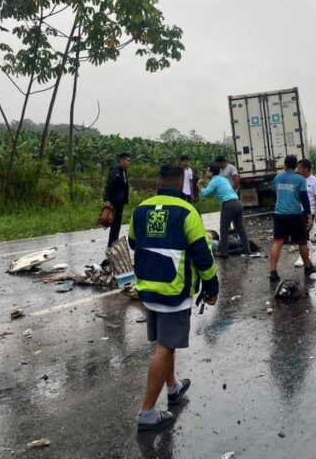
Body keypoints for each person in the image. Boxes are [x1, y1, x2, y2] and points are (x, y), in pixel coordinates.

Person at [129, 164, 219, 432]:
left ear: (158, 182)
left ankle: (173, 388)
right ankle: (146, 412)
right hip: (175, 289)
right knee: (166, 346)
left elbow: (134, 242)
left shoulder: (141, 209)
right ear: (182, 184)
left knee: (164, 341)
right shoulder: (187, 212)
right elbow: (203, 255)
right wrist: (212, 287)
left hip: (148, 286)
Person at [270, 155, 315, 283]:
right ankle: (307, 267)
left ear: (284, 164)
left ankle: (273, 272)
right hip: (295, 214)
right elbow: (304, 199)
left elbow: (273, 193)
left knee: (277, 242)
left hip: (279, 214)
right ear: (295, 166)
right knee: (302, 242)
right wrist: (308, 216)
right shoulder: (300, 179)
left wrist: (280, 201)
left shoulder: (277, 178)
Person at [198, 165, 249, 258]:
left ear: (211, 173)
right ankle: (247, 250)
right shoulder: (223, 179)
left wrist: (200, 186)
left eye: (207, 171)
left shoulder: (214, 181)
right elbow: (215, 191)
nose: (206, 173)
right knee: (241, 228)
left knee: (224, 229)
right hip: (237, 202)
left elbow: (205, 194)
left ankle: (224, 252)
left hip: (228, 204)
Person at [103, 152, 131, 249]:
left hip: (120, 202)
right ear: (122, 160)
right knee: (114, 224)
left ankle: (113, 242)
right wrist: (107, 199)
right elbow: (109, 185)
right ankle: (111, 244)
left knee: (117, 224)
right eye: (127, 160)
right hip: (114, 201)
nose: (129, 163)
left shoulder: (124, 171)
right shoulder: (116, 171)